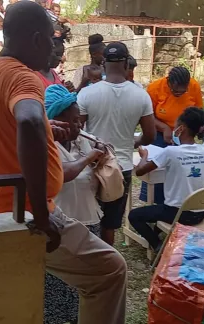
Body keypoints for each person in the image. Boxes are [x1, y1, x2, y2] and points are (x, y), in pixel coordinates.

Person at [0, 2, 127, 323]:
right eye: (52, 39)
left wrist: (47, 128)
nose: (55, 47)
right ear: (36, 39)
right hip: (24, 212)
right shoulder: (23, 77)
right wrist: (41, 212)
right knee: (110, 270)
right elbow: (29, 122)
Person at [78, 41, 156, 246]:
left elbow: (76, 131)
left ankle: (88, 263)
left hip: (92, 165)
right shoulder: (141, 96)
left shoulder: (87, 93)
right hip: (122, 167)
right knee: (109, 224)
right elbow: (149, 135)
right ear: (126, 65)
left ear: (104, 64)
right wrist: (131, 142)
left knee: (87, 220)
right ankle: (107, 268)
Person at [43, 84, 105, 324]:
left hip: (88, 218)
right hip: (61, 223)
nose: (80, 127)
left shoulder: (81, 142)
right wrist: (90, 157)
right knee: (58, 284)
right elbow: (63, 173)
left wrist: (103, 160)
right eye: (74, 122)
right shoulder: (47, 145)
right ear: (56, 121)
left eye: (80, 121)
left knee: (86, 282)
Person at [129, 107, 204, 251]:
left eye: (175, 126)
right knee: (158, 209)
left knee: (133, 215)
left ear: (181, 129)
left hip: (176, 213)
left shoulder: (170, 152)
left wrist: (144, 155)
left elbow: (140, 171)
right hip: (200, 213)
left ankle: (157, 245)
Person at [140, 66, 204, 202]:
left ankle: (179, 201)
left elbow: (198, 110)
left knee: (181, 169)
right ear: (169, 82)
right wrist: (164, 128)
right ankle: (154, 201)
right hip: (159, 133)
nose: (179, 94)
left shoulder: (194, 86)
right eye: (175, 91)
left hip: (185, 134)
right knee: (156, 169)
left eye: (183, 92)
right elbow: (147, 115)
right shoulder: (154, 88)